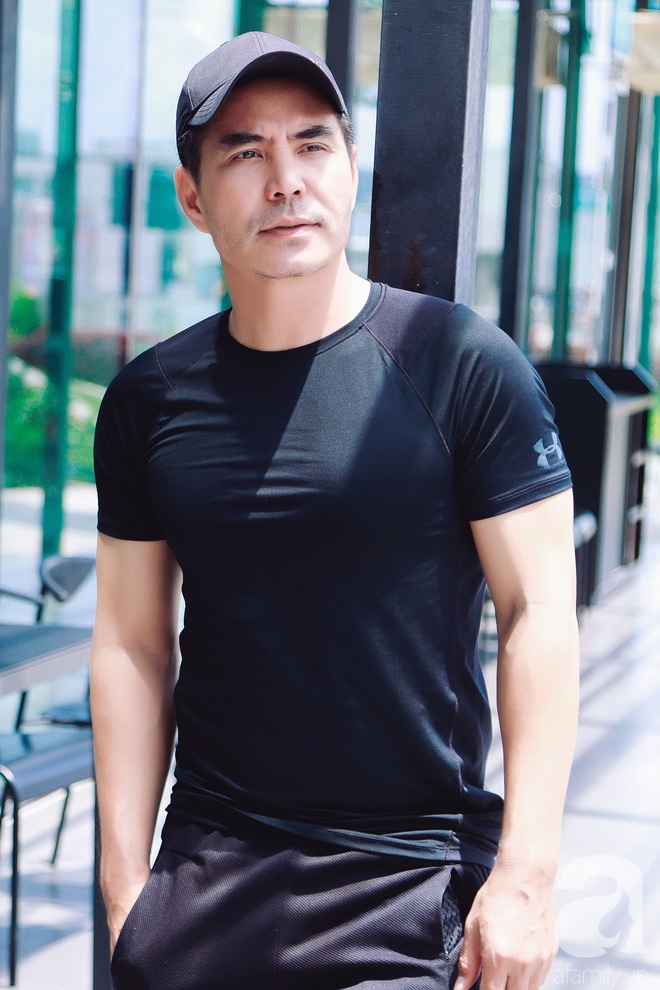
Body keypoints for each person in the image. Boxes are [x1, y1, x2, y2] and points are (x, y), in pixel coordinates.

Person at [91, 31, 579, 990]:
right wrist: (124, 892)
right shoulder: (150, 399)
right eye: (244, 152)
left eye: (312, 144)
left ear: (351, 167)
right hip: (207, 875)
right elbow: (132, 644)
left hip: (408, 876)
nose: (286, 181)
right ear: (192, 196)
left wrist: (527, 876)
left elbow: (539, 615)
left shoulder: (461, 364)